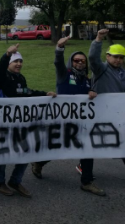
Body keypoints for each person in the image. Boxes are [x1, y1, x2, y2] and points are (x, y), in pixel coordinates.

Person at [30, 36, 104, 195]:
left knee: (87, 149)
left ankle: (87, 181)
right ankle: (39, 162)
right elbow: (58, 63)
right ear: (72, 62)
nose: (80, 63)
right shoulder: (65, 74)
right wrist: (59, 48)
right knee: (57, 148)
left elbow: (89, 97)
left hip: (82, 122)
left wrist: (92, 92)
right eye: (77, 60)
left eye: (83, 61)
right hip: (63, 121)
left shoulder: (87, 80)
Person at [0, 43, 56, 198]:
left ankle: (15, 180)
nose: (19, 64)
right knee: (3, 153)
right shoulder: (2, 76)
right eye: (15, 61)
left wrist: (44, 94)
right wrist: (6, 55)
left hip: (19, 123)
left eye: (21, 61)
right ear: (9, 64)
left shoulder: (21, 78)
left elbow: (27, 93)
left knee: (26, 150)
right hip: (2, 123)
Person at [88, 29, 125, 167]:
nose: (118, 60)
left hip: (116, 114)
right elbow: (92, 57)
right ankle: (42, 162)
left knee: (122, 141)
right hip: (99, 113)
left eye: (121, 57)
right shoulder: (100, 69)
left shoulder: (123, 73)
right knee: (87, 142)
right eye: (115, 57)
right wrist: (98, 39)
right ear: (107, 56)